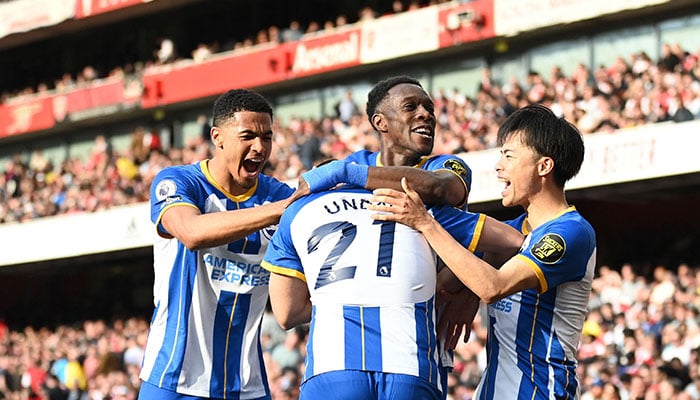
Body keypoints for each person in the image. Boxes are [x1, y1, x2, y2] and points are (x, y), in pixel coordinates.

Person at [371, 104, 596, 399]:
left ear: (544, 166)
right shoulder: (514, 230)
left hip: (538, 392)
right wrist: (464, 291)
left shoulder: (570, 232)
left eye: (509, 155)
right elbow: (448, 284)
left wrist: (425, 222)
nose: (498, 166)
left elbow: (492, 286)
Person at [261, 182, 523, 400]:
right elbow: (511, 239)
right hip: (410, 366)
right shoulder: (412, 205)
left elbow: (286, 312)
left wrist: (337, 297)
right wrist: (464, 290)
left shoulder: (300, 211)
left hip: (333, 368)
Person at [138, 89, 304, 400]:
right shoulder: (178, 182)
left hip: (247, 387)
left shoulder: (279, 196)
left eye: (267, 137)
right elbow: (191, 232)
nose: (259, 147)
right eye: (248, 136)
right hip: (173, 381)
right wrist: (277, 212)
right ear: (218, 137)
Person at [301, 75, 478, 352]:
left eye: (428, 108)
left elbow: (441, 188)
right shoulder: (355, 165)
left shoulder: (447, 165)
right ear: (380, 122)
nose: (426, 115)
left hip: (421, 338)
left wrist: (345, 172)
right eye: (411, 107)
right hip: (352, 336)